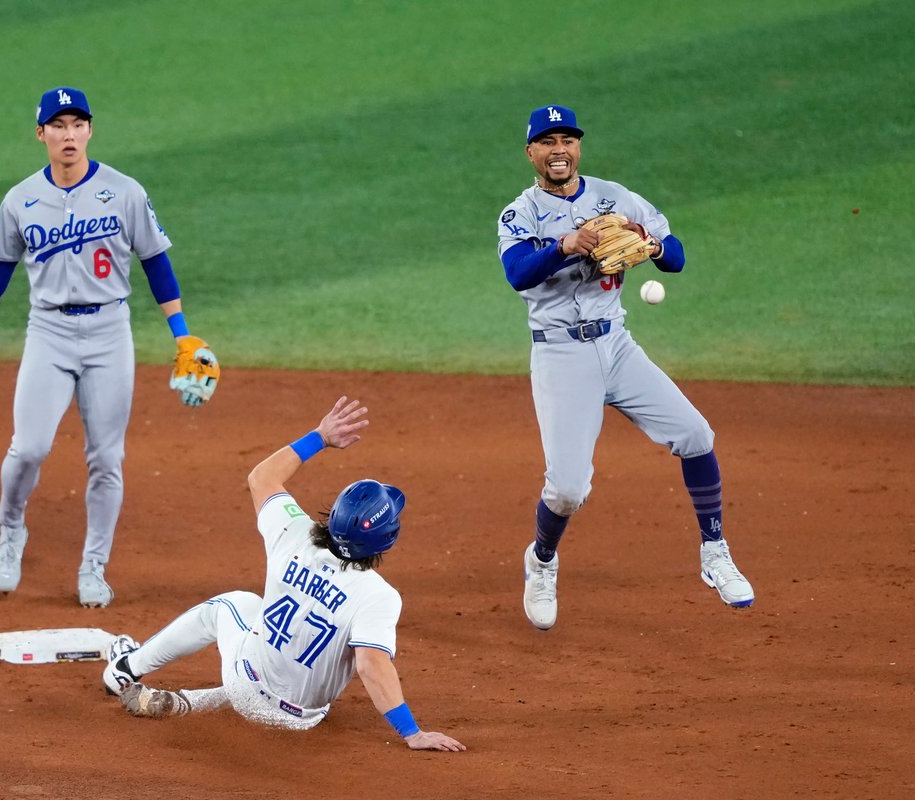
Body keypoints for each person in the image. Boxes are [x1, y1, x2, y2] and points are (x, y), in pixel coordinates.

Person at [496, 104, 755, 630]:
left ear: (578, 147)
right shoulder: (519, 213)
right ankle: (542, 561)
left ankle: (714, 552)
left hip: (617, 346)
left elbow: (675, 257)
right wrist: (566, 245)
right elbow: (518, 273)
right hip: (561, 355)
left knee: (695, 435)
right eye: (548, 142)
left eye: (567, 140)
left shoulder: (615, 196)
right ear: (531, 153)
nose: (559, 150)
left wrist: (650, 243)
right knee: (567, 490)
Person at [0, 86, 214, 607]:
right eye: (58, 125)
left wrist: (182, 332)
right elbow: (0, 264)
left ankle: (94, 566)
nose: (68, 134)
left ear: (90, 130)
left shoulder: (125, 192)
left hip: (109, 334)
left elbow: (156, 262)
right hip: (48, 333)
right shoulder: (20, 199)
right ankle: (10, 531)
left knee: (107, 458)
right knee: (29, 447)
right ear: (41, 134)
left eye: (77, 124)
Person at [101, 397, 465, 752]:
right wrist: (411, 733)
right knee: (303, 656)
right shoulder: (378, 596)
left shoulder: (294, 533)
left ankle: (126, 667)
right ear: (386, 539)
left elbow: (261, 477)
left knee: (233, 605)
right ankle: (189, 702)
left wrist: (321, 436)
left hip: (246, 686)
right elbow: (371, 665)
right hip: (303, 718)